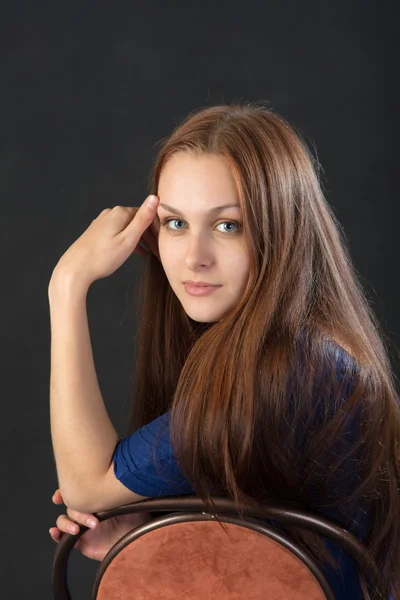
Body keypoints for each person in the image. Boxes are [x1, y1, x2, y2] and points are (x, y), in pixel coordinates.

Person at [48, 101, 400, 600]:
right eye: (175, 223)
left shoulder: (285, 369)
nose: (194, 257)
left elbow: (87, 489)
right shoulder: (298, 348)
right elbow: (256, 546)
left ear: (283, 230)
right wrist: (142, 533)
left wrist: (66, 286)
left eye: (227, 225)